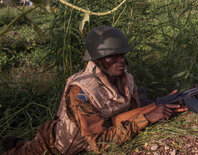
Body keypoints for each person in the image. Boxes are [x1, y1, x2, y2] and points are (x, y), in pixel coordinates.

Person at [1, 26, 188, 154]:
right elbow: (99, 143)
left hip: (89, 137)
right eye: (113, 56)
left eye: (122, 55)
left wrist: (158, 104)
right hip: (57, 146)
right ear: (98, 59)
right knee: (26, 152)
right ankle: (16, 145)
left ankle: (15, 142)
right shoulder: (81, 91)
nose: (121, 60)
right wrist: (145, 119)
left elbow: (129, 111)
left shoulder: (124, 78)